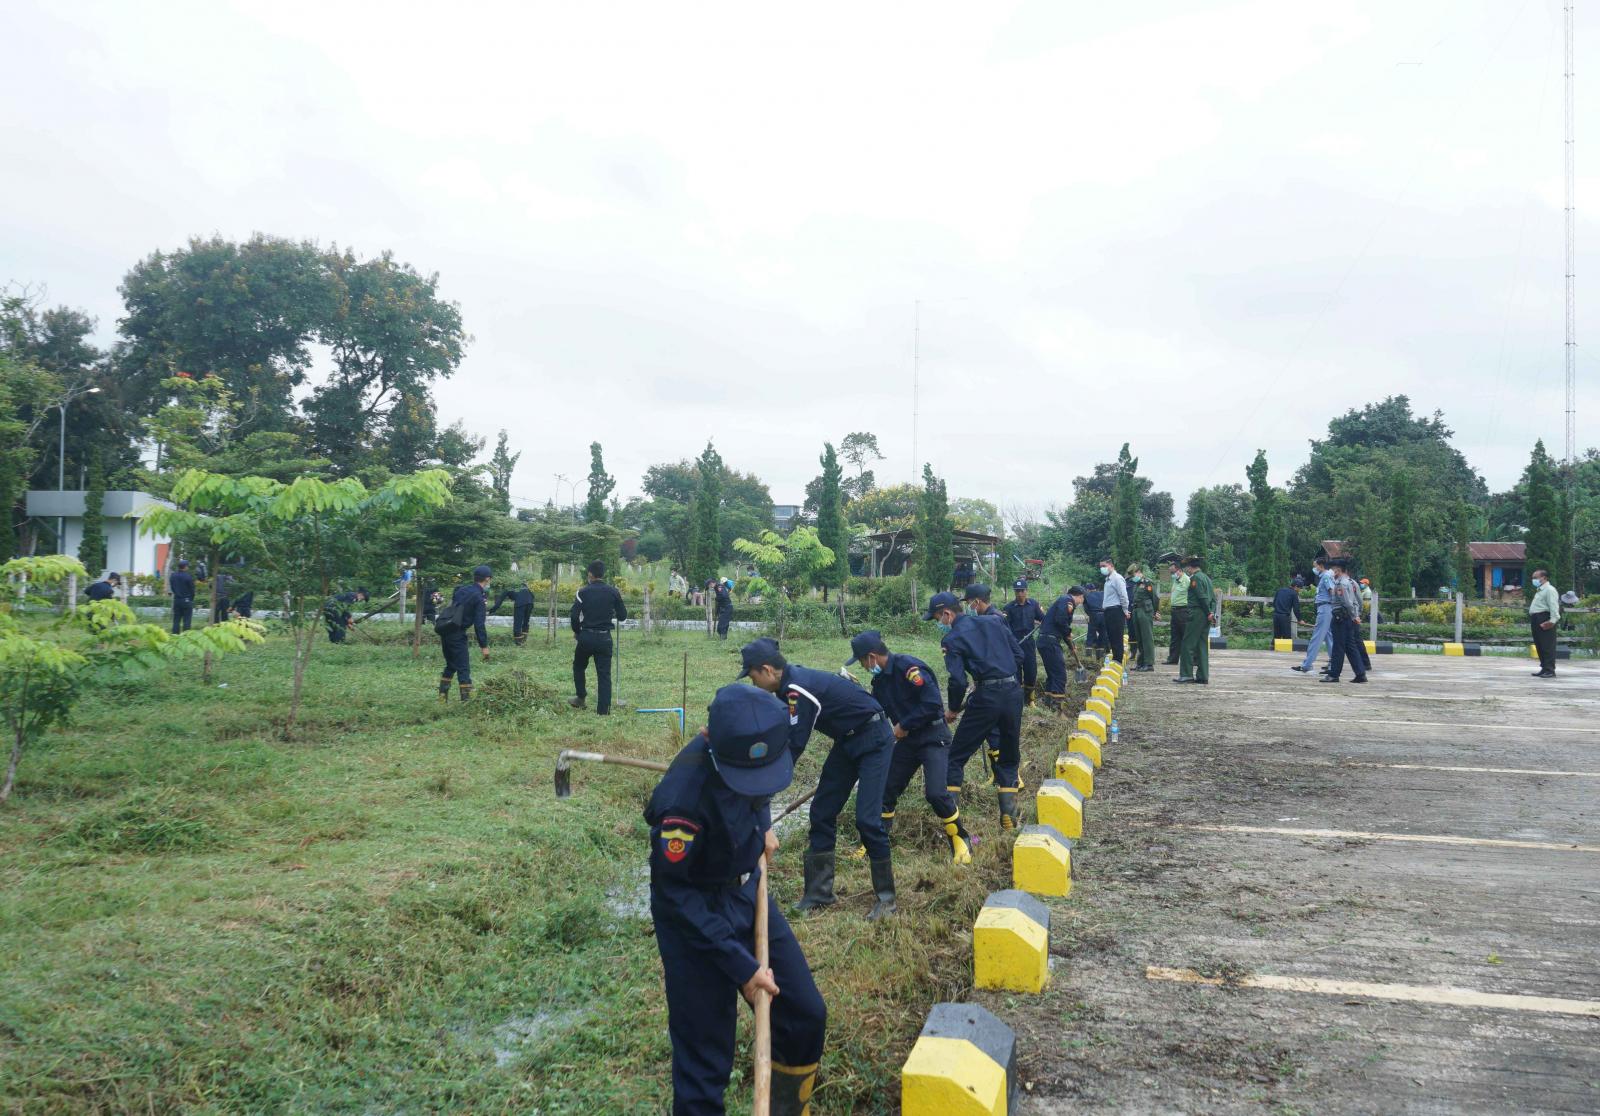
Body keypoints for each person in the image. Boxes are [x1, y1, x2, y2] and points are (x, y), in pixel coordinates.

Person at [646, 683, 826, 1116]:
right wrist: (742, 967)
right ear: (709, 738)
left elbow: (760, 787)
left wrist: (762, 826)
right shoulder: (681, 804)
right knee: (705, 1062)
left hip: (747, 892)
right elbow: (675, 896)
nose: (755, 787)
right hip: (695, 918)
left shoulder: (756, 748)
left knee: (804, 1014)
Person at [738, 638, 896, 919]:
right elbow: (781, 731)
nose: (753, 683)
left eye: (752, 676)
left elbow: (795, 745)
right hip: (847, 740)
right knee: (822, 811)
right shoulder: (787, 687)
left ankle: (887, 900)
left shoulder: (797, 689)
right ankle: (819, 893)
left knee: (867, 819)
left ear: (767, 670)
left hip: (873, 738)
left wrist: (765, 789)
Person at [845, 630, 974, 865]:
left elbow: (932, 703)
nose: (863, 667)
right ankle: (874, 844)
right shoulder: (880, 681)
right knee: (886, 790)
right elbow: (877, 711)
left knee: (936, 793)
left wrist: (904, 724)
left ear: (872, 657)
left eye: (862, 661)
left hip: (933, 736)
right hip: (907, 742)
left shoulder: (909, 668)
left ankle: (960, 839)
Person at [924, 591, 1026, 829]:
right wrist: (999, 673)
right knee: (1009, 754)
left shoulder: (952, 639)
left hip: (986, 699)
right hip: (1013, 693)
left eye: (938, 618)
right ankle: (1009, 815)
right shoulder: (995, 621)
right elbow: (1019, 655)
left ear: (947, 614)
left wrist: (953, 709)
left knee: (955, 757)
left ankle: (951, 821)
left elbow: (958, 681)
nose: (939, 623)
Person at [570, 560, 628, 714]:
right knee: (604, 674)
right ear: (603, 574)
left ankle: (580, 698)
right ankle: (603, 710)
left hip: (586, 637)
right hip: (604, 638)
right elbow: (622, 616)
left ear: (590, 574)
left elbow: (574, 616)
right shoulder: (613, 592)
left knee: (578, 666)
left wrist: (577, 632)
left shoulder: (582, 592)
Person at [439, 565, 491, 702]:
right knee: (463, 668)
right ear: (487, 579)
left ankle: (442, 697)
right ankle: (466, 702)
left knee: (451, 664)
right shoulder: (479, 598)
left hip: (446, 630)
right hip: (457, 634)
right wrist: (484, 646)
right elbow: (479, 625)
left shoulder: (461, 590)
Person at [1322, 559, 1368, 684]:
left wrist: (1354, 616)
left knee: (1338, 647)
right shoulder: (1349, 582)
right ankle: (1360, 674)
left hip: (1341, 619)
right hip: (1347, 618)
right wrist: (1355, 615)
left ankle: (1334, 675)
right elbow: (1355, 601)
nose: (1331, 571)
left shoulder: (1340, 584)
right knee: (1350, 647)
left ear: (1338, 570)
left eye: (1332, 569)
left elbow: (1347, 603)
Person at [1001, 579, 1045, 704]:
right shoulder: (1008, 608)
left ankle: (1030, 699)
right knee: (1016, 671)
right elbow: (1005, 627)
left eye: (1022, 591)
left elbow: (1043, 619)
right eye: (1017, 591)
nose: (1020, 594)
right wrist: (1011, 641)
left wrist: (1044, 621)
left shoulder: (1033, 605)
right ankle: (1018, 700)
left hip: (1029, 642)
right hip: (1014, 644)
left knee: (1031, 670)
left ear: (1026, 591)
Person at [1175, 556, 1214, 685]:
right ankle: (1203, 676)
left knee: (1187, 644)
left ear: (1190, 567)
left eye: (1187, 567)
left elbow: (1201, 597)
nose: (1187, 570)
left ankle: (1186, 674)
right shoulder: (1207, 578)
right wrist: (1211, 612)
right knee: (1201, 645)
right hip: (1206, 614)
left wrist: (1207, 612)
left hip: (1197, 613)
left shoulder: (1195, 578)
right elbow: (1213, 598)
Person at [1037, 585, 1079, 696]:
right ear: (1080, 596)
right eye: (1083, 599)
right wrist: (1068, 631)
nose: (1081, 602)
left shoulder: (1063, 601)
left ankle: (1049, 702)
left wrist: (1071, 646)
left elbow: (1062, 628)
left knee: (1052, 675)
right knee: (1060, 675)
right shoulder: (1067, 600)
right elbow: (1061, 621)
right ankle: (1057, 705)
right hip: (1050, 642)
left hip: (1045, 641)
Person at [1529, 568, 1561, 678]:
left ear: (1543, 577)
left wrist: (1552, 621)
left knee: (1547, 645)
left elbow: (1554, 606)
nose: (1533, 580)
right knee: (1540, 644)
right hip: (1536, 618)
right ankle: (1544, 668)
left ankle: (1550, 670)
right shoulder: (1540, 590)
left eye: (1535, 577)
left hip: (1544, 617)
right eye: (1533, 578)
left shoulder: (1549, 590)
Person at [1098, 558, 1130, 664]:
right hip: (1109, 611)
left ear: (1111, 565)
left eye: (1104, 566)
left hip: (1116, 610)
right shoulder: (1108, 580)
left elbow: (1123, 596)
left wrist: (1125, 610)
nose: (1102, 568)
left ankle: (1118, 660)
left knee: (1117, 637)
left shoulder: (1117, 578)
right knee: (1111, 636)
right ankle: (1116, 659)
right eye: (1100, 566)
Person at [1127, 565, 1158, 671]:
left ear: (1139, 572)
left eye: (1133, 575)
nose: (1132, 578)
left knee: (1147, 637)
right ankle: (1141, 662)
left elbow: (1155, 598)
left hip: (1145, 611)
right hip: (1136, 611)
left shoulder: (1147, 583)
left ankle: (1149, 663)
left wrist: (1156, 612)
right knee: (1139, 638)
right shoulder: (1137, 584)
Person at [1164, 558, 1189, 665]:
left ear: (1179, 570)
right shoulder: (1176, 580)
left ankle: (1189, 659)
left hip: (1183, 610)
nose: (1172, 574)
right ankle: (1172, 659)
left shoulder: (1187, 580)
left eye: (1173, 572)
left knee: (1185, 636)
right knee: (1174, 636)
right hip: (1174, 611)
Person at [168, 559, 196, 633]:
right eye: (187, 566)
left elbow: (172, 587)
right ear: (185, 567)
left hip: (177, 600)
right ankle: (186, 636)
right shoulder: (188, 577)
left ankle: (175, 635)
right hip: (186, 600)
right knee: (187, 621)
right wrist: (191, 599)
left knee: (176, 620)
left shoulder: (173, 576)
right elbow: (192, 590)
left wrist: (176, 593)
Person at [1272, 578, 1301, 642]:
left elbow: (1274, 603)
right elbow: (1296, 609)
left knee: (1277, 635)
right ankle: (1285, 649)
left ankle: (1273, 647)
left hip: (1275, 616)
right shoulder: (1294, 594)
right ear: (1296, 586)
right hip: (1285, 617)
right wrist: (1299, 620)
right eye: (1300, 588)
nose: (1300, 590)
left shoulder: (1280, 590)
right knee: (1286, 637)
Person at [1082, 585, 1106, 660]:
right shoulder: (1102, 593)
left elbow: (1086, 608)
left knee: (1091, 634)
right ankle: (1100, 657)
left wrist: (1089, 615)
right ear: (1095, 589)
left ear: (1088, 590)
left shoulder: (1087, 596)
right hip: (1104, 615)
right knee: (1102, 635)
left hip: (1093, 615)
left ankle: (1088, 657)